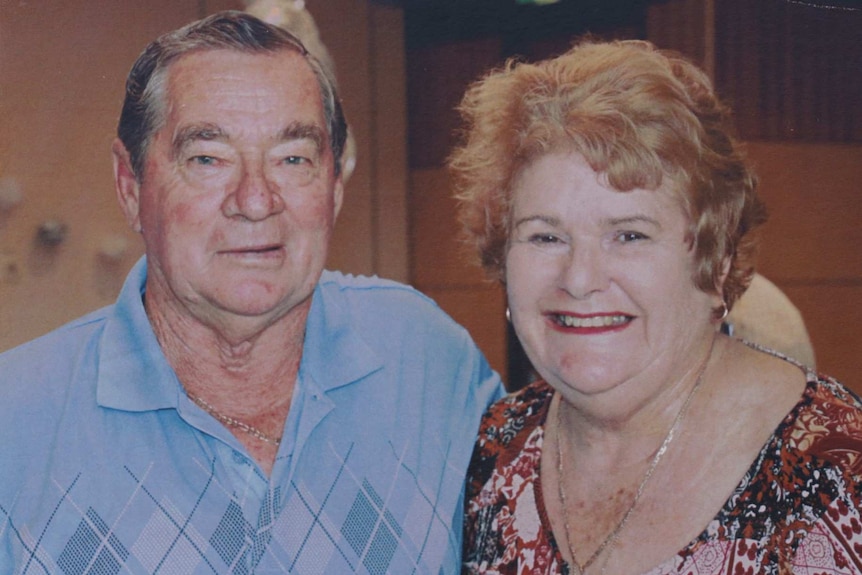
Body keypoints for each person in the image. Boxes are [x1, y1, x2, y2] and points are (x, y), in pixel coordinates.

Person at [0, 12, 503, 574]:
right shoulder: (15, 425)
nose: (256, 200)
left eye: (293, 159)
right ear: (130, 185)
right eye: (208, 159)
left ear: (334, 186)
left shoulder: (427, 361)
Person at [449, 39, 862, 574]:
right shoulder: (494, 451)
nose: (579, 279)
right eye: (545, 237)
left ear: (714, 260)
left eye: (629, 235)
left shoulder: (837, 472)